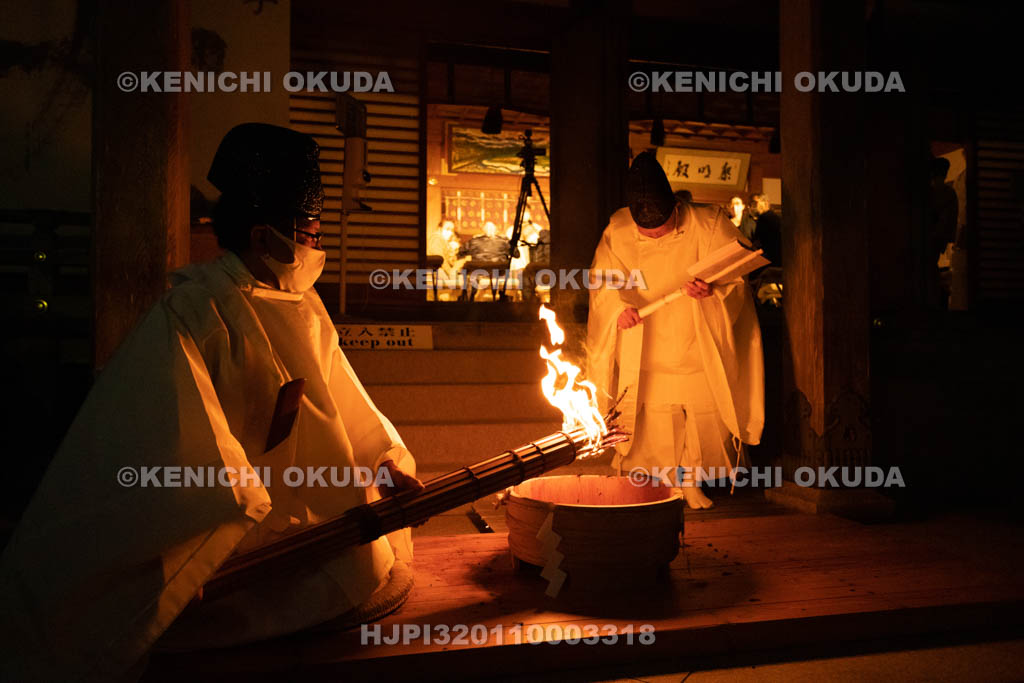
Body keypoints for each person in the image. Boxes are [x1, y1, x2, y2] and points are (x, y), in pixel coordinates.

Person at [0, 123, 423, 681]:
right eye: (310, 231)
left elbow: (345, 401)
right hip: (235, 543)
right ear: (263, 234)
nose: (316, 247)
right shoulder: (196, 310)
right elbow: (173, 439)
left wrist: (384, 460)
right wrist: (245, 500)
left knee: (356, 558)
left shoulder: (303, 304)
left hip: (318, 527)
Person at [587, 151, 764, 509]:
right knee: (654, 416)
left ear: (675, 207)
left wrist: (713, 292)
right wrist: (618, 309)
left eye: (662, 228)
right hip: (646, 339)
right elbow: (602, 282)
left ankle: (693, 479)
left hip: (696, 335)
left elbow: (737, 279)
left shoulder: (709, 223)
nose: (654, 236)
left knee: (699, 415)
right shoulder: (617, 229)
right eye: (646, 232)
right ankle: (662, 483)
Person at [749, 192, 782, 269]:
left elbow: (762, 242)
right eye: (751, 204)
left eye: (755, 203)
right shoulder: (772, 217)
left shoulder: (765, 218)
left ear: (765, 203)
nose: (753, 206)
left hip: (770, 258)